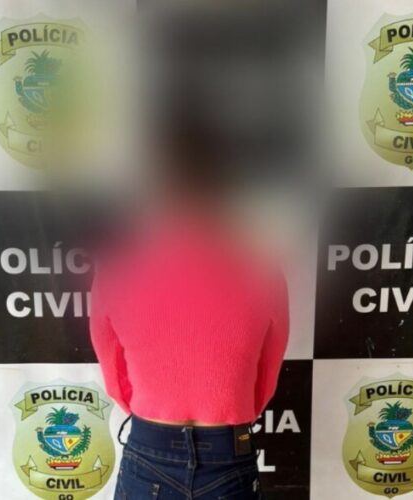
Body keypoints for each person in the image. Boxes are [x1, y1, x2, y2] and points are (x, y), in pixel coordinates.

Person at [90, 10, 289, 499]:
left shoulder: (117, 266)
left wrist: (158, 409)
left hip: (148, 447)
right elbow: (262, 387)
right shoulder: (262, 267)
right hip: (230, 453)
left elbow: (116, 380)